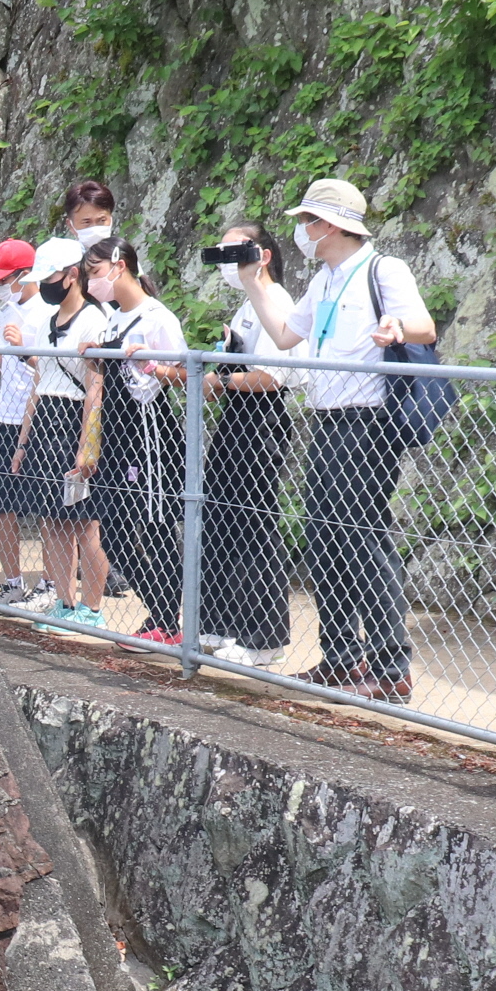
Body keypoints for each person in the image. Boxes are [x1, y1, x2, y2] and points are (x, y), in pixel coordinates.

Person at [238, 176, 435, 703]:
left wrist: (396, 328)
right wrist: (254, 282)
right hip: (326, 420)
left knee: (362, 536)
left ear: (328, 225)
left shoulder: (382, 269)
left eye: (306, 221)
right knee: (324, 538)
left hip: (368, 421)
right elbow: (286, 334)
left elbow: (425, 325)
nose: (301, 230)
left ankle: (391, 667)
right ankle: (342, 658)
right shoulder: (324, 280)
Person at [74, 238, 191, 645]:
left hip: (149, 431)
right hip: (116, 433)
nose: (91, 282)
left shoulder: (157, 317)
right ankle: (161, 612)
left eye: (95, 272)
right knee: (114, 532)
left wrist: (153, 366)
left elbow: (187, 374)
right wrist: (97, 355)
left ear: (119, 266)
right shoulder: (112, 318)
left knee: (156, 526)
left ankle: (169, 621)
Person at [197, 224, 297, 665]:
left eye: (235, 251)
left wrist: (222, 377)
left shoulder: (275, 301)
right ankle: (222, 623)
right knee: (221, 520)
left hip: (263, 420)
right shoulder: (247, 306)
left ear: (262, 255)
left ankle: (264, 638)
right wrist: (223, 371)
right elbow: (236, 368)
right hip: (236, 417)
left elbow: (271, 376)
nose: (226, 260)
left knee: (254, 525)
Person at [4, 253, 105, 630]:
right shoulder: (49, 321)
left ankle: (92, 609)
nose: (45, 285)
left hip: (74, 419)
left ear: (72, 274)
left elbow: (95, 388)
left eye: (50, 277)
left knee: (85, 523)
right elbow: (38, 383)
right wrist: (23, 442)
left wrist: (86, 446)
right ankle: (65, 603)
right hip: (46, 420)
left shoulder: (93, 319)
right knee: (53, 522)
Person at [0, 238, 43, 603]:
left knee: (48, 510)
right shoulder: (8, 314)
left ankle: (49, 584)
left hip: (41, 417)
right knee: (0, 505)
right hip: (5, 417)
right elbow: (2, 363)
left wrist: (22, 349)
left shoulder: (48, 312)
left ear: (26, 274)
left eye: (4, 280)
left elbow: (52, 368)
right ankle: (13, 582)